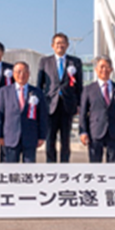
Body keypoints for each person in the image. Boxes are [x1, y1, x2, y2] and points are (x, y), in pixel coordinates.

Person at [37, 33, 83, 163]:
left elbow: (79, 86)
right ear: (52, 46)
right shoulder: (45, 61)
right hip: (50, 106)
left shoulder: (75, 62)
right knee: (50, 139)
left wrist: (79, 104)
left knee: (66, 140)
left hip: (67, 106)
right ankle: (51, 166)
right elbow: (39, 85)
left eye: (63, 43)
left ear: (67, 45)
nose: (60, 45)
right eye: (57, 43)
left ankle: (64, 166)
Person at [79, 57, 115, 163]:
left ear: (111, 69)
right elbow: (83, 113)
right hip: (95, 132)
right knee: (95, 164)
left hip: (114, 131)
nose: (104, 70)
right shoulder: (88, 89)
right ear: (96, 70)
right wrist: (83, 131)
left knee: (113, 164)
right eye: (101, 67)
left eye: (107, 67)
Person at [0, 62, 47, 163]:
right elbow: (0, 115)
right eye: (18, 72)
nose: (21, 75)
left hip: (30, 137)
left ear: (29, 74)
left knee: (29, 170)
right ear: (13, 74)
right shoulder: (4, 91)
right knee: (10, 170)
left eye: (25, 72)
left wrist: (42, 136)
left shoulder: (37, 92)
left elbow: (42, 116)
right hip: (10, 137)